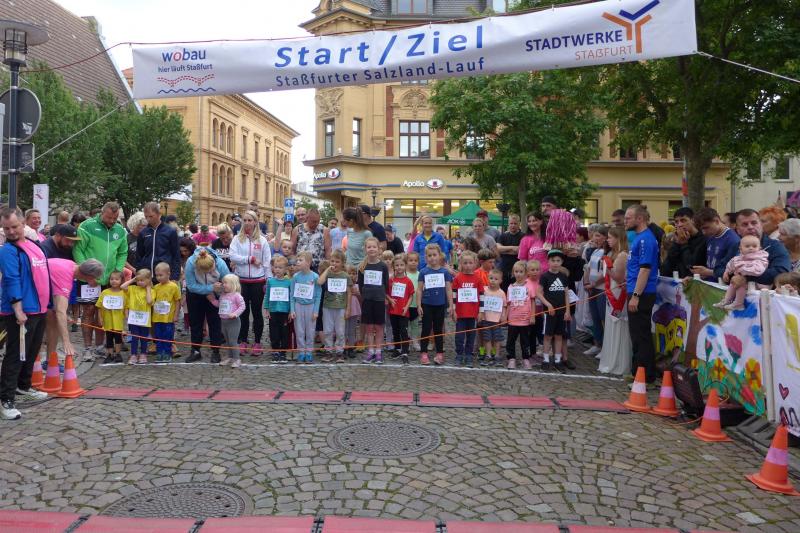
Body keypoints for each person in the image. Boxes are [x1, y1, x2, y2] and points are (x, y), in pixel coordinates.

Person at [0, 208, 53, 421]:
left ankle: (23, 386)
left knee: (31, 351)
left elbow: (44, 273)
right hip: (21, 311)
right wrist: (18, 309)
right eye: (6, 228)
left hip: (39, 308)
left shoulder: (33, 245)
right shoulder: (7, 250)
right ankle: (6, 399)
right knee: (15, 354)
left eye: (14, 226)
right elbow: (11, 279)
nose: (11, 231)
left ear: (23, 224)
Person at [624, 205, 660, 384]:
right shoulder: (639, 238)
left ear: (640, 219)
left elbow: (645, 269)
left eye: (628, 218)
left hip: (642, 293)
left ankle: (645, 376)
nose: (625, 221)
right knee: (636, 335)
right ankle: (638, 371)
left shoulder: (646, 239)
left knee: (641, 335)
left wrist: (636, 295)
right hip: (634, 289)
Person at [229, 211, 271, 356]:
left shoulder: (262, 240)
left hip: (258, 281)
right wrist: (250, 259)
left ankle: (257, 342)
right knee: (243, 312)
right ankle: (243, 340)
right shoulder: (236, 239)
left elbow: (267, 262)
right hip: (241, 281)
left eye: (250, 220)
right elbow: (232, 256)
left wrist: (268, 281)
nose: (247, 223)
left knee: (257, 313)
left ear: (255, 222)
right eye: (245, 220)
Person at [45, 258, 104, 360]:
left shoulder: (71, 265)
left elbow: (57, 300)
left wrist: (63, 313)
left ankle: (49, 360)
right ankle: (42, 361)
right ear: (89, 276)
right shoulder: (65, 278)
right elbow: (60, 312)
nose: (95, 281)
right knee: (51, 320)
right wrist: (66, 342)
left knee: (53, 317)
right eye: (95, 278)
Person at [185, 247, 230, 363]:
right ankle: (195, 351)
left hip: (215, 295)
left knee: (215, 323)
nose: (208, 273)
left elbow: (228, 282)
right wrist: (210, 288)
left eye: (210, 271)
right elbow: (191, 286)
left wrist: (219, 290)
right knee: (195, 323)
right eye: (204, 272)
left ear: (214, 263)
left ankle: (216, 351)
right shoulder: (190, 263)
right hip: (195, 295)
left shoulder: (220, 264)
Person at [598, 227, 632, 376]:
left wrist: (607, 266)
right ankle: (611, 359)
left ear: (618, 238)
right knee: (611, 324)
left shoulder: (622, 255)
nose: (608, 240)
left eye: (610, 237)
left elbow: (618, 277)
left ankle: (619, 362)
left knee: (618, 324)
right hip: (612, 291)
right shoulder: (613, 253)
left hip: (618, 293)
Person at [74, 201, 128, 289]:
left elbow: (122, 253)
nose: (112, 221)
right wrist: (86, 274)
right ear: (102, 213)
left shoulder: (120, 230)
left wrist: (117, 271)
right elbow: (78, 250)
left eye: (115, 218)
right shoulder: (86, 226)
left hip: (110, 280)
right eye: (109, 217)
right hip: (87, 279)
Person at [731, 208, 790, 288]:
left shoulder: (775, 246)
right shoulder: (736, 246)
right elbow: (719, 268)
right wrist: (734, 276)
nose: (750, 227)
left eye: (754, 223)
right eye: (745, 224)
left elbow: (782, 272)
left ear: (761, 225)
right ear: (738, 230)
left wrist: (747, 277)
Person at [417, 243, 454, 366]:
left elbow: (448, 289)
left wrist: (451, 305)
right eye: (429, 255)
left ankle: (439, 353)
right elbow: (419, 289)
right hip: (427, 304)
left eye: (434, 255)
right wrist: (419, 305)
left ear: (440, 256)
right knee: (426, 329)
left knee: (438, 329)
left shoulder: (445, 272)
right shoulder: (423, 272)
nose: (432, 258)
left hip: (440, 305)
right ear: (426, 257)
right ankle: (423, 352)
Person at [537, 250, 572, 372]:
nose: (555, 263)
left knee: (559, 336)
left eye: (558, 261)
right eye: (553, 260)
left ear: (561, 262)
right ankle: (546, 359)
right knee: (548, 336)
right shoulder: (545, 276)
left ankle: (557, 360)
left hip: (562, 312)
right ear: (548, 261)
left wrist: (567, 310)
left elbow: (566, 294)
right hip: (549, 312)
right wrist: (548, 304)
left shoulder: (563, 277)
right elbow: (538, 293)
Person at [357, 237, 390, 364]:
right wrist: (365, 296)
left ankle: (378, 351)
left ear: (379, 249)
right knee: (369, 327)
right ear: (365, 249)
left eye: (374, 247)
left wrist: (383, 296)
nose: (371, 249)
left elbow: (386, 283)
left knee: (379, 326)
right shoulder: (362, 266)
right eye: (369, 247)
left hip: (379, 300)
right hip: (367, 300)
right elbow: (360, 285)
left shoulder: (383, 266)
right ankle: (371, 351)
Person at [714, 235, 769, 310]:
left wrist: (742, 272)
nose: (751, 248)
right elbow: (731, 264)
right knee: (734, 282)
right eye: (747, 246)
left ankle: (739, 304)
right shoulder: (739, 258)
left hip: (757, 283)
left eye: (754, 246)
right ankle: (726, 300)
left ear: (759, 248)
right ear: (740, 249)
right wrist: (726, 272)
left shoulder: (760, 258)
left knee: (740, 282)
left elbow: (758, 270)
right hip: (744, 282)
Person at [318, 250, 351, 362]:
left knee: (340, 331)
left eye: (337, 261)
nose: (334, 264)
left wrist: (348, 308)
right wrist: (327, 270)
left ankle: (339, 352)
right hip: (327, 306)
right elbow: (319, 282)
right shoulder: (328, 274)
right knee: (327, 330)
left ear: (342, 263)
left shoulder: (345, 276)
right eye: (332, 261)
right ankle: (328, 351)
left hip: (341, 307)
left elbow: (349, 293)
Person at [690, 207, 740, 282]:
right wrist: (701, 274)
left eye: (706, 228)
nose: (704, 232)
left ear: (716, 221)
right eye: (701, 229)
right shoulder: (711, 235)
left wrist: (708, 272)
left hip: (723, 286)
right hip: (710, 283)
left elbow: (733, 272)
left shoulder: (733, 240)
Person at [452, 250, 483, 367]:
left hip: (473, 314)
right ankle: (459, 354)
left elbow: (482, 296)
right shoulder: (458, 278)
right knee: (459, 336)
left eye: (470, 263)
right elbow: (454, 295)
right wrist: (454, 310)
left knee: (471, 336)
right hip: (460, 313)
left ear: (475, 263)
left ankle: (469, 355)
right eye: (465, 263)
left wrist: (481, 312)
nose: (468, 265)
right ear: (461, 264)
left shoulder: (478, 278)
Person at [290, 251, 321, 363]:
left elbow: (318, 295)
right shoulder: (295, 277)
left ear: (308, 262)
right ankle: (301, 352)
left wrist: (316, 311)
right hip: (298, 306)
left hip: (310, 306)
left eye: (300, 260)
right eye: (297, 260)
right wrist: (292, 309)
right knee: (299, 330)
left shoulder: (315, 276)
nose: (297, 262)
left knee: (310, 330)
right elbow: (292, 295)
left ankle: (309, 352)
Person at [660, 207, 706, 279]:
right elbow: (664, 270)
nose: (679, 225)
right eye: (676, 222)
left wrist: (684, 244)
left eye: (683, 220)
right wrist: (676, 244)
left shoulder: (703, 239)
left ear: (692, 220)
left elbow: (691, 267)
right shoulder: (677, 240)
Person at [584, 227, 609, 357]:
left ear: (605, 237)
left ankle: (605, 347)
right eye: (594, 235)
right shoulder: (596, 251)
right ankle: (597, 344)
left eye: (598, 235)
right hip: (592, 288)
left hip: (601, 289)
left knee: (603, 318)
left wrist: (593, 284)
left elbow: (605, 274)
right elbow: (588, 268)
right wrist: (586, 283)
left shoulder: (607, 253)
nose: (595, 238)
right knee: (595, 318)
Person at [506, 260, 535, 370]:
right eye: (516, 271)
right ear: (513, 272)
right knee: (510, 340)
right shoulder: (510, 287)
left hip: (525, 319)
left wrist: (532, 316)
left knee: (525, 341)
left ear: (526, 273)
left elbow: (532, 301)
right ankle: (511, 358)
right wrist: (506, 316)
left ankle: (526, 359)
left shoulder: (529, 286)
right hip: (513, 319)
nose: (518, 274)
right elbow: (508, 303)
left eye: (521, 271)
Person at [121, 269, 153, 365]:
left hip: (144, 319)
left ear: (148, 280)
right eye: (138, 280)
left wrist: (148, 289)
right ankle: (133, 354)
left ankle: (143, 354)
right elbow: (122, 286)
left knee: (144, 338)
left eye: (142, 280)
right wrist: (133, 279)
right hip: (134, 318)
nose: (139, 282)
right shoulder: (133, 288)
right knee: (134, 337)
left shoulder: (152, 291)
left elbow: (149, 301)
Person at [151, 262, 181, 363]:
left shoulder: (174, 286)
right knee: (158, 336)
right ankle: (160, 353)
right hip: (157, 318)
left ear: (168, 273)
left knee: (168, 336)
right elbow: (153, 301)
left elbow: (177, 301)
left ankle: (167, 354)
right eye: (157, 275)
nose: (158, 277)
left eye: (161, 275)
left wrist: (176, 315)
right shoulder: (156, 287)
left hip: (168, 318)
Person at [265, 255, 291, 364]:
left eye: (280, 268)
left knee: (284, 332)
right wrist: (266, 309)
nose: (277, 270)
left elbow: (291, 297)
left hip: (284, 312)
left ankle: (283, 352)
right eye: (276, 267)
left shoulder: (289, 282)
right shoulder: (270, 281)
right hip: (273, 311)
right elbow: (267, 295)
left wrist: (290, 311)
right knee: (274, 332)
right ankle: (275, 351)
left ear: (285, 269)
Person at [388, 254, 414, 365]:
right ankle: (397, 348)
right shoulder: (391, 280)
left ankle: (405, 352)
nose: (399, 267)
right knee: (395, 330)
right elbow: (386, 293)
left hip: (403, 311)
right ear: (393, 266)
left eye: (401, 265)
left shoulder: (408, 281)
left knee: (404, 331)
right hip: (393, 310)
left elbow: (411, 295)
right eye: (397, 265)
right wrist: (390, 299)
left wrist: (407, 307)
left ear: (405, 266)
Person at [97, 271, 127, 365]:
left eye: (117, 279)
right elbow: (99, 306)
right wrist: (100, 318)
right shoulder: (105, 292)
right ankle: (110, 354)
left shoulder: (123, 293)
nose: (114, 281)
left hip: (118, 321)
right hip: (108, 321)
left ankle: (118, 354)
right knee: (109, 338)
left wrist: (127, 319)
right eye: (112, 279)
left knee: (118, 338)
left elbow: (126, 307)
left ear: (121, 281)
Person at [218, 274, 246, 368]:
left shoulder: (236, 295)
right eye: (223, 283)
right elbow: (219, 305)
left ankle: (237, 359)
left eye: (226, 283)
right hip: (223, 321)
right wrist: (212, 300)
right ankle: (229, 357)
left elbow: (242, 306)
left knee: (233, 341)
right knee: (227, 341)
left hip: (233, 322)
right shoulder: (222, 295)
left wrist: (235, 314)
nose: (223, 285)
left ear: (233, 284)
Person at [479, 269, 506, 368]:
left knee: (497, 339)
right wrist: (480, 314)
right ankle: (488, 355)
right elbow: (480, 303)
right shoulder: (484, 290)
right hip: (485, 320)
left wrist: (503, 316)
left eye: (496, 279)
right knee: (487, 338)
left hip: (497, 321)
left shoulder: (501, 293)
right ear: (487, 278)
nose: (493, 281)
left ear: (500, 281)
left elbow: (504, 306)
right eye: (491, 278)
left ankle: (497, 355)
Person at [496, 215, 523, 291]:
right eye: (511, 223)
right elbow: (498, 248)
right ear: (508, 224)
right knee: (504, 290)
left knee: (517, 290)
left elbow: (520, 250)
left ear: (519, 224)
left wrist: (505, 250)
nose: (513, 225)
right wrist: (512, 248)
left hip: (518, 270)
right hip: (504, 269)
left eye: (515, 223)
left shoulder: (523, 236)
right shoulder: (503, 236)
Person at [345, 264, 362, 359]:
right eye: (349, 273)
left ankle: (351, 347)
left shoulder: (357, 286)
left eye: (354, 273)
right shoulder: (343, 285)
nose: (352, 275)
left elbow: (361, 298)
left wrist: (358, 293)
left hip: (354, 310)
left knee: (352, 330)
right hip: (345, 309)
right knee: (344, 330)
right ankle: (344, 347)